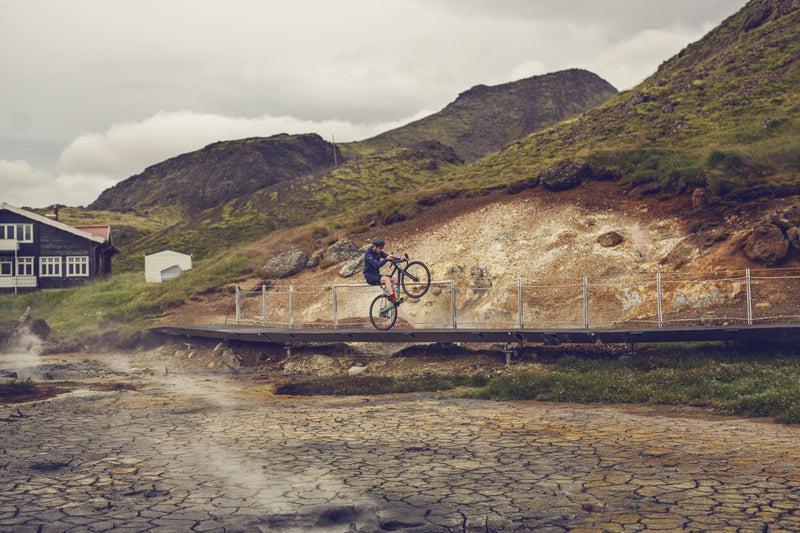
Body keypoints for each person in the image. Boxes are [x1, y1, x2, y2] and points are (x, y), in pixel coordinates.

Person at [363, 237, 403, 306]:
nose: (380, 250)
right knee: (387, 279)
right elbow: (377, 265)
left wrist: (400, 259)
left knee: (395, 278)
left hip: (376, 275)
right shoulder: (368, 254)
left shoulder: (378, 251)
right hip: (370, 277)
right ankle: (393, 298)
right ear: (374, 246)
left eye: (381, 248)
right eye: (379, 248)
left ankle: (395, 297)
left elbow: (388, 257)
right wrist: (386, 259)